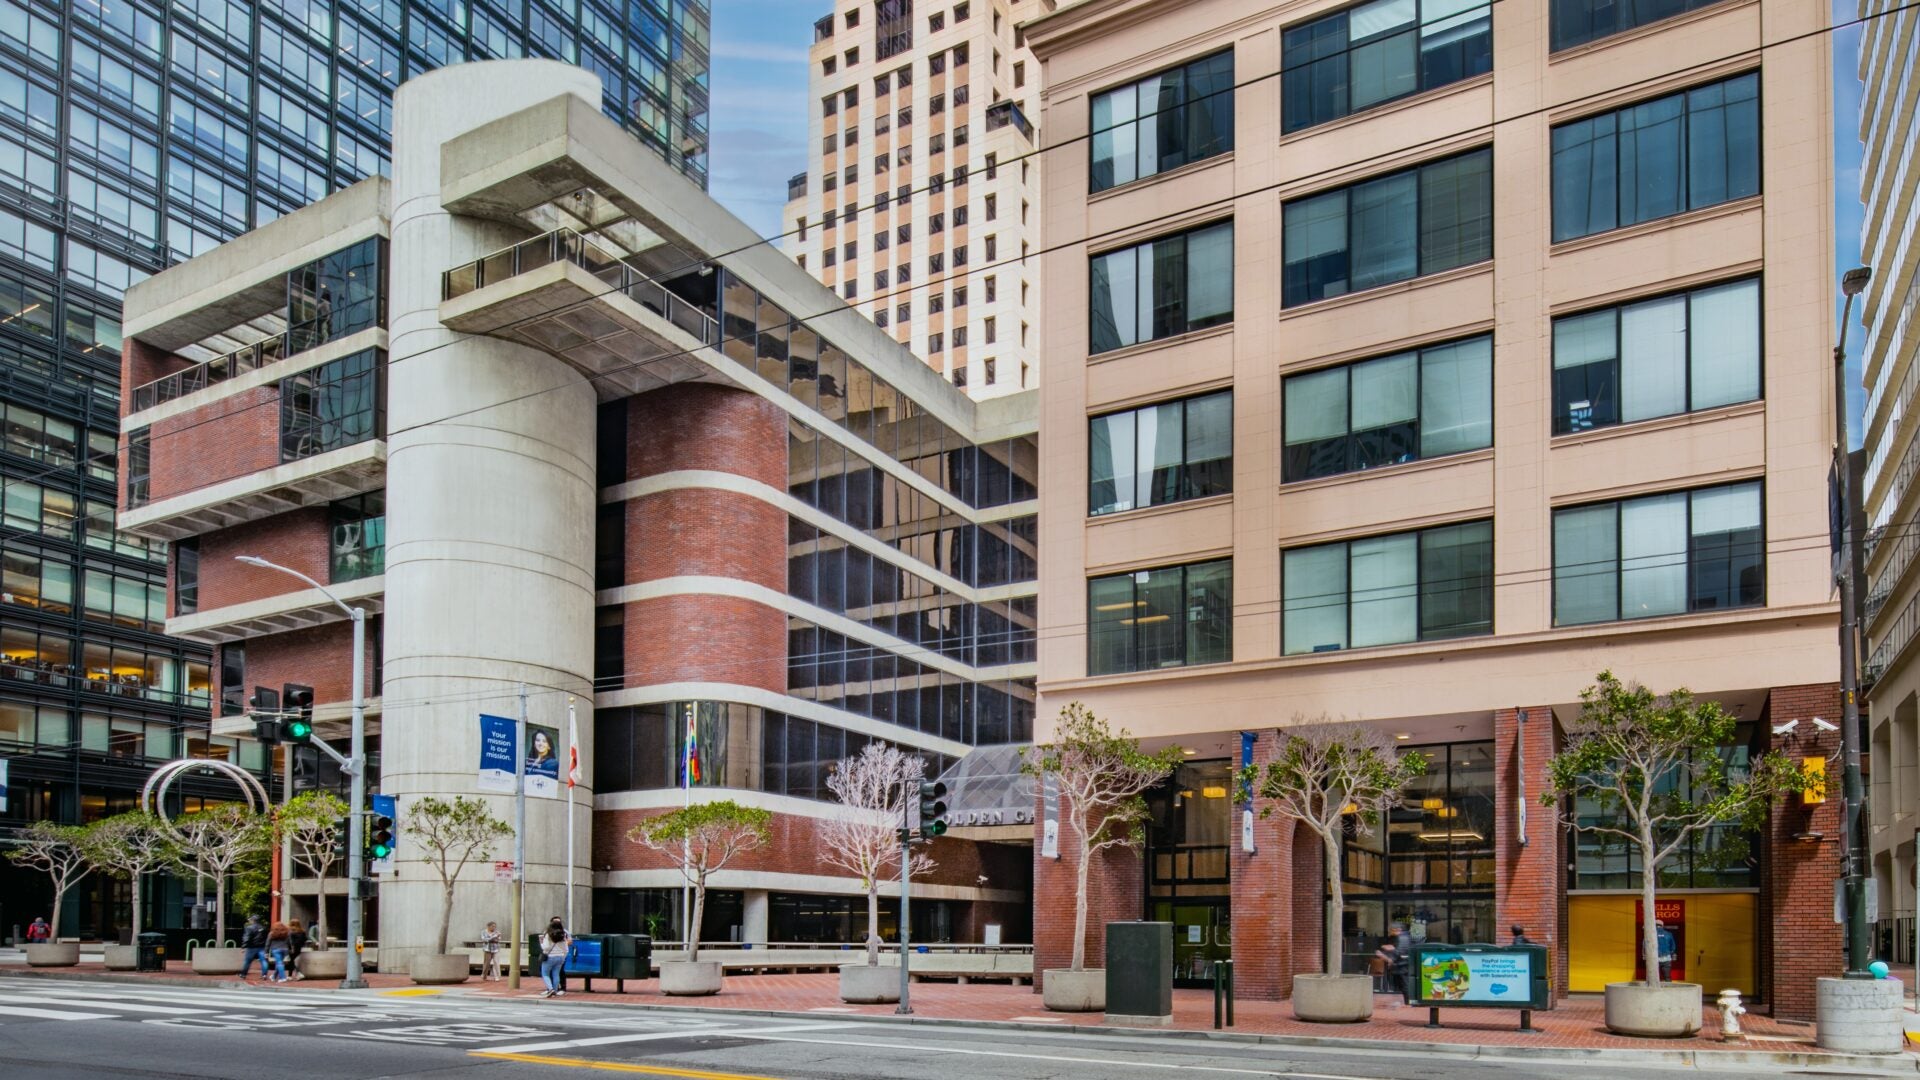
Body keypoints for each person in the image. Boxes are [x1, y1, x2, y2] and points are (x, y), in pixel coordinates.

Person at [539, 918, 572, 998]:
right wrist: (563, 957)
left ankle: (550, 989)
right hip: (560, 957)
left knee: (545, 973)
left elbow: (546, 947)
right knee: (556, 974)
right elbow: (566, 948)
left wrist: (541, 942)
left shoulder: (548, 934)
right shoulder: (563, 935)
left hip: (550, 956)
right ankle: (555, 990)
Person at [240, 915, 270, 981]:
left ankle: (243, 974)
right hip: (262, 946)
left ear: (253, 920)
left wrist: (243, 946)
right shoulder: (264, 928)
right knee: (264, 961)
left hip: (252, 947)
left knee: (247, 961)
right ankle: (264, 974)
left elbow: (246, 937)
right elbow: (267, 938)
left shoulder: (249, 928)